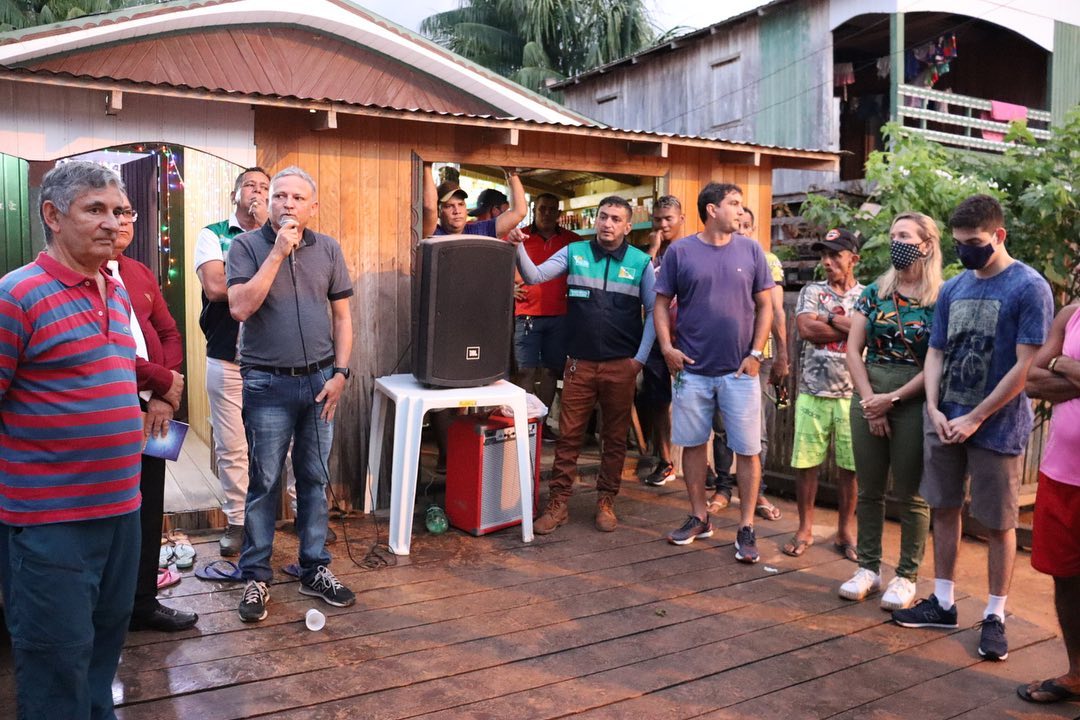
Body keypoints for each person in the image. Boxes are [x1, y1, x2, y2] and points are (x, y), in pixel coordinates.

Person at [0, 162, 143, 719]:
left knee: (104, 648)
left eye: (120, 211)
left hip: (122, 512)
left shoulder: (115, 289)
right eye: (95, 209)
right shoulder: (16, 296)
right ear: (53, 216)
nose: (113, 223)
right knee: (55, 662)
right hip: (49, 524)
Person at [892, 194, 1053, 664]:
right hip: (946, 419)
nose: (966, 251)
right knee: (943, 507)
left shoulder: (1029, 287)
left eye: (975, 242)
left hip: (996, 426)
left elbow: (1026, 365)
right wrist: (934, 408)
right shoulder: (954, 288)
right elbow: (936, 351)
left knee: (998, 522)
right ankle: (943, 602)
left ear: (999, 235)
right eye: (959, 243)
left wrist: (977, 416)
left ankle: (995, 614)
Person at [226, 166, 356, 622]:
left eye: (298, 198)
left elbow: (342, 317)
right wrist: (278, 252)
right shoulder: (246, 246)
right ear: (268, 202)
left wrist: (341, 374)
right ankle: (256, 575)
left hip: (320, 383)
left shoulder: (329, 249)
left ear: (312, 207)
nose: (287, 204)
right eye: (279, 196)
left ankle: (313, 568)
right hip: (266, 383)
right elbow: (240, 307)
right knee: (264, 482)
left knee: (315, 479)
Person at [515, 196, 656, 534]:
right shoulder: (575, 252)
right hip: (579, 363)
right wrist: (517, 245)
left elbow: (654, 311)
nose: (608, 223)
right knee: (568, 437)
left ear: (627, 226)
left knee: (614, 438)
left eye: (616, 219)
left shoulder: (640, 262)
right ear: (596, 220)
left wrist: (639, 359)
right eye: (603, 217)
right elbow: (534, 276)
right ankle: (558, 504)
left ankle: (606, 501)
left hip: (621, 365)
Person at [655, 183, 773, 564]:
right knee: (692, 445)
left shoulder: (751, 250)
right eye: (733, 204)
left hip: (740, 371)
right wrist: (667, 348)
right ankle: (699, 516)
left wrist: (756, 353)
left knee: (748, 450)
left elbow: (766, 306)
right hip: (692, 370)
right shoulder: (681, 252)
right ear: (711, 209)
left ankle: (746, 527)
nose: (740, 210)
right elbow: (660, 304)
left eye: (741, 204)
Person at [838, 212, 943, 611]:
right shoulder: (874, 292)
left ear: (926, 245)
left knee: (912, 493)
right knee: (869, 489)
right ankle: (868, 567)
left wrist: (893, 400)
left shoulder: (941, 298)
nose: (895, 241)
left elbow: (936, 362)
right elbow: (853, 350)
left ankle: (906, 574)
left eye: (904, 235)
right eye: (893, 234)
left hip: (912, 398)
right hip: (869, 393)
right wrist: (871, 402)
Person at [108, 194, 199, 633]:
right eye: (109, 212)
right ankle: (106, 610)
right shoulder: (83, 276)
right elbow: (106, 348)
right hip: (112, 404)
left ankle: (142, 603)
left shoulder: (140, 272)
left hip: (155, 406)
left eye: (127, 212)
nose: (122, 221)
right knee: (112, 510)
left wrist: (164, 393)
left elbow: (170, 332)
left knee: (149, 503)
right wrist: (161, 379)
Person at [783, 228, 864, 560]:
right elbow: (806, 329)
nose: (827, 261)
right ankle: (805, 528)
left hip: (853, 395)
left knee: (851, 467)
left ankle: (845, 531)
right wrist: (850, 328)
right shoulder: (812, 290)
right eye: (824, 255)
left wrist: (828, 317)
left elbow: (867, 332)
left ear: (853, 259)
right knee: (807, 465)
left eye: (835, 255)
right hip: (813, 391)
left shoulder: (867, 295)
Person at [707, 206, 786, 521]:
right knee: (721, 426)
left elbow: (776, 310)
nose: (741, 231)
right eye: (737, 225)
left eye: (747, 226)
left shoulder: (767, 260)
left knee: (757, 428)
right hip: (721, 353)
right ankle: (723, 488)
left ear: (753, 230)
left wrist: (782, 356)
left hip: (758, 356)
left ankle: (757, 490)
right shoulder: (714, 257)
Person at [1019, 302, 1080, 702]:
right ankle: (1077, 673)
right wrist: (1065, 364)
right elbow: (1031, 381)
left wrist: (1061, 366)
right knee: (1066, 579)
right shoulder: (1071, 315)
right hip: (1062, 475)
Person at [511, 192, 579, 441]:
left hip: (560, 315)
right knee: (525, 371)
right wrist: (508, 288)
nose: (547, 213)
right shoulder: (520, 237)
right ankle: (524, 423)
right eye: (542, 208)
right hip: (526, 314)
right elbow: (496, 264)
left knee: (551, 371)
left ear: (559, 213)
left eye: (552, 209)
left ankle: (541, 423)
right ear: (534, 210)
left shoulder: (573, 241)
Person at [640, 195, 684, 486]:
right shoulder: (648, 256)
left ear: (681, 219)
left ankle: (700, 463)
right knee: (657, 401)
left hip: (687, 338)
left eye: (669, 219)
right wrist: (653, 250)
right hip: (656, 337)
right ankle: (666, 461)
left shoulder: (690, 250)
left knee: (692, 400)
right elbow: (642, 285)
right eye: (658, 220)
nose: (663, 224)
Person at [422, 164, 526, 238]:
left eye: (461, 204)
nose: (457, 211)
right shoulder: (432, 233)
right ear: (438, 212)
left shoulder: (478, 231)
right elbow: (429, 206)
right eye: (449, 206)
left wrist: (510, 172)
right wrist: (426, 166)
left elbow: (519, 212)